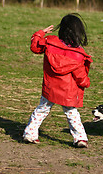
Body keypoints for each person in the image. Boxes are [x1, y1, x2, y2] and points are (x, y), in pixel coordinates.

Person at [23, 13, 92, 148]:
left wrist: (40, 33)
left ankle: (30, 134)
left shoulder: (50, 42)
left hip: (50, 88)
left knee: (41, 110)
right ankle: (80, 139)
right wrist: (86, 83)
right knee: (72, 114)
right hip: (68, 92)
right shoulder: (78, 54)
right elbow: (80, 77)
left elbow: (35, 47)